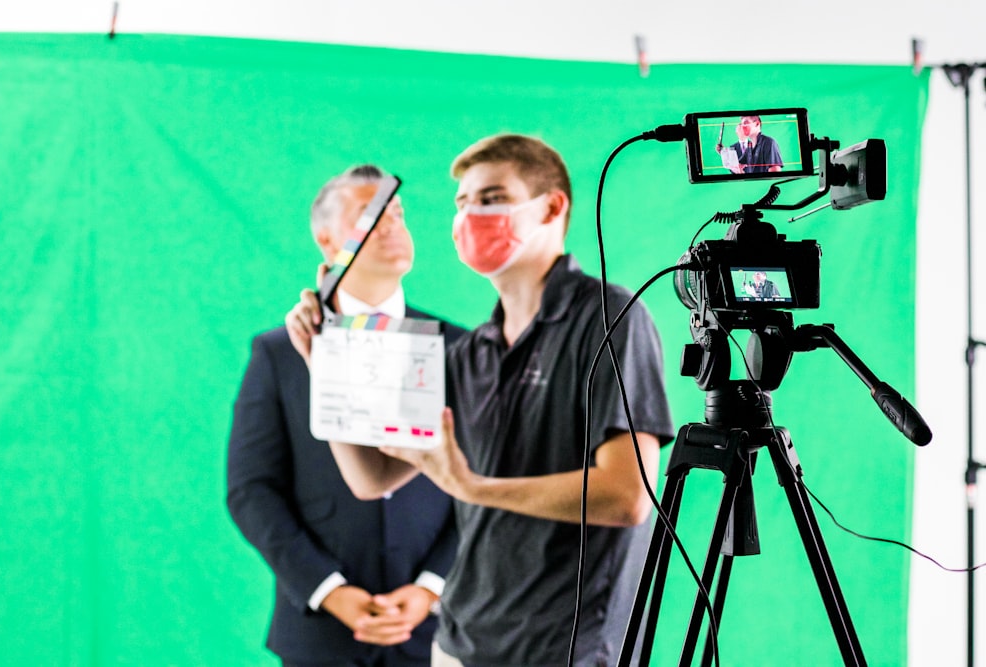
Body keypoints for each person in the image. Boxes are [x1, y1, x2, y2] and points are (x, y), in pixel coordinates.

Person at [287, 135, 675, 666]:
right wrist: (322, 364)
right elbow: (372, 477)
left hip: (565, 650)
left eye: (491, 198)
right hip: (460, 644)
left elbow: (627, 495)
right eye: (462, 203)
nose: (471, 215)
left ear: (552, 206)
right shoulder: (471, 352)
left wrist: (475, 487)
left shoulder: (608, 318)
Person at [227, 164, 464, 667]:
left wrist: (430, 587)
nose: (391, 226)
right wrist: (329, 590)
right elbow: (251, 488)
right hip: (320, 634)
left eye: (397, 213)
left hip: (442, 630)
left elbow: (483, 479)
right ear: (328, 238)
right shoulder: (279, 352)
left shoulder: (462, 349)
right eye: (372, 215)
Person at [716, 115, 783, 174]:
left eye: (745, 123)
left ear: (757, 124)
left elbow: (775, 173)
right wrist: (723, 153)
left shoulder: (769, 143)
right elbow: (737, 166)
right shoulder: (749, 147)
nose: (742, 126)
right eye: (741, 124)